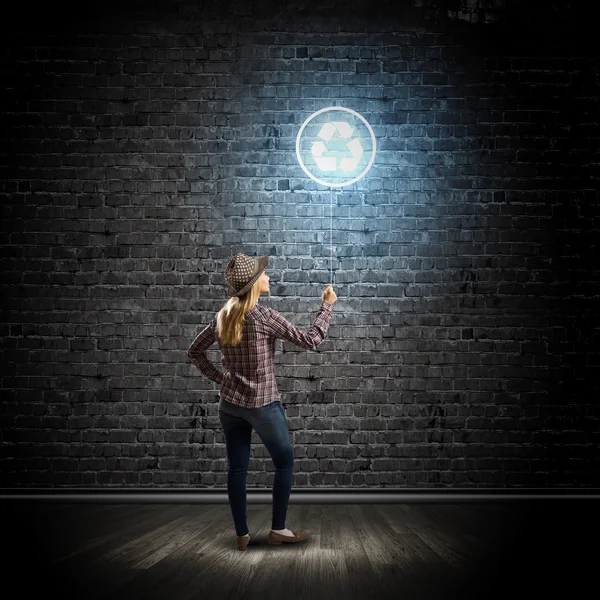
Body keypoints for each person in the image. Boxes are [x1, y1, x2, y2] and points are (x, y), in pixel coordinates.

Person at [187, 252, 337, 551]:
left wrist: (221, 378)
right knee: (284, 462)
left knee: (237, 468)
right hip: (263, 405)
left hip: (229, 405)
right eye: (263, 273)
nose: (268, 276)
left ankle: (242, 535)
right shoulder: (265, 317)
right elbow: (311, 340)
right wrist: (327, 306)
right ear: (255, 283)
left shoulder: (223, 316)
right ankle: (278, 529)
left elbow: (194, 351)